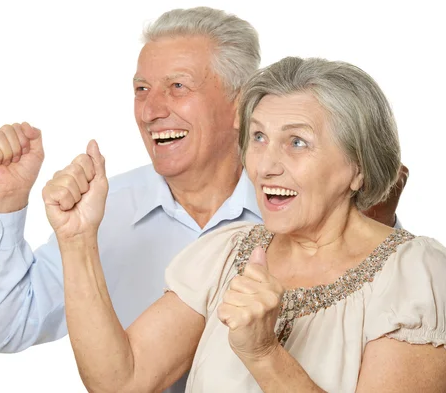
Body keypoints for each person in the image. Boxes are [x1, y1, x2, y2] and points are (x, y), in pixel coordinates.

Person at [0, 7, 407, 392]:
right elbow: (7, 328)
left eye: (177, 86)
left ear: (242, 103)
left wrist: (377, 218)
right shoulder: (102, 209)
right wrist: (9, 201)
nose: (150, 110)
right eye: (141, 90)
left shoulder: (316, 207)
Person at [44, 56, 446, 392]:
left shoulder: (414, 274)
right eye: (258, 137)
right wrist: (77, 240)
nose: (266, 166)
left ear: (357, 168)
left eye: (297, 142)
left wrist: (264, 353)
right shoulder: (223, 253)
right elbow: (121, 380)